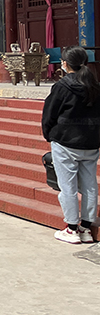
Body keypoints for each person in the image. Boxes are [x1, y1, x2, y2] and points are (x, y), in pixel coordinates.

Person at [42, 46, 100, 244]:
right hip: (90, 143)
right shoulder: (95, 86)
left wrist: (49, 135)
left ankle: (72, 228)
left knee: (68, 187)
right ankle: (86, 228)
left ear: (65, 64)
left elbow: (49, 114)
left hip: (66, 142)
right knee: (90, 185)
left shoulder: (62, 87)